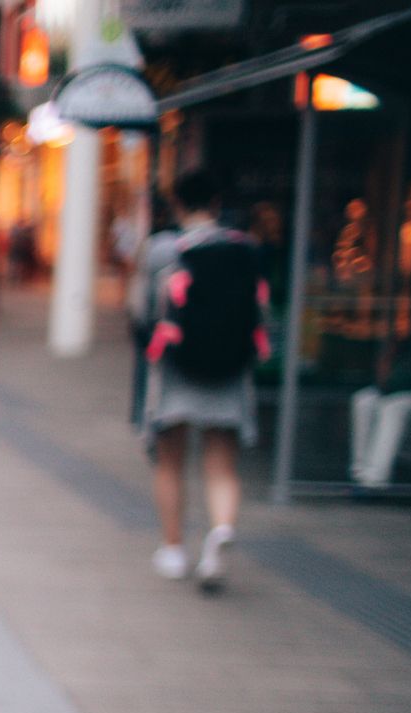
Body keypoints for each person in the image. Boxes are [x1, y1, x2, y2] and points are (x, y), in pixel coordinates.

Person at [132, 168, 266, 591]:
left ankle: (173, 549)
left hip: (176, 368)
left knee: (170, 460)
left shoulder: (161, 250)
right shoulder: (245, 249)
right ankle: (221, 529)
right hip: (229, 369)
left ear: (177, 204)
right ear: (216, 203)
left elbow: (142, 311)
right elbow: (262, 315)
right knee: (222, 463)